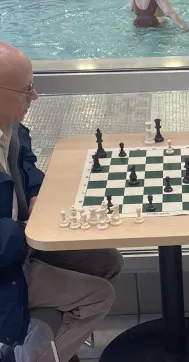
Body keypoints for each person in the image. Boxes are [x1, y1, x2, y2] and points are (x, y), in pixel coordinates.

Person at [0, 42, 124, 362]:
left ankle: (50, 343)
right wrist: (27, 231)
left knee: (106, 260)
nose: (35, 96)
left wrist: (38, 193)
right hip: (5, 264)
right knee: (99, 296)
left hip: (19, 246)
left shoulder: (9, 129)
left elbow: (25, 166)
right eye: (27, 89)